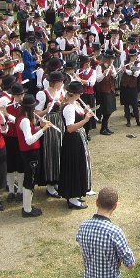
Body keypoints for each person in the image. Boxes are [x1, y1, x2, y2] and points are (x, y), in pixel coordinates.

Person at [76, 186, 136, 278]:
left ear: (96, 202)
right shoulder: (115, 232)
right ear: (115, 206)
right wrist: (118, 259)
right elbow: (131, 263)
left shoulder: (83, 226)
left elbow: (79, 241)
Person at [60, 81, 94, 209]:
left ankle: (76, 194)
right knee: (74, 166)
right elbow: (70, 128)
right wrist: (85, 120)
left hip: (78, 138)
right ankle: (72, 198)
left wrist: (85, 111)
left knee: (79, 165)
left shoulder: (75, 103)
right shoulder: (68, 107)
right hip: (73, 139)